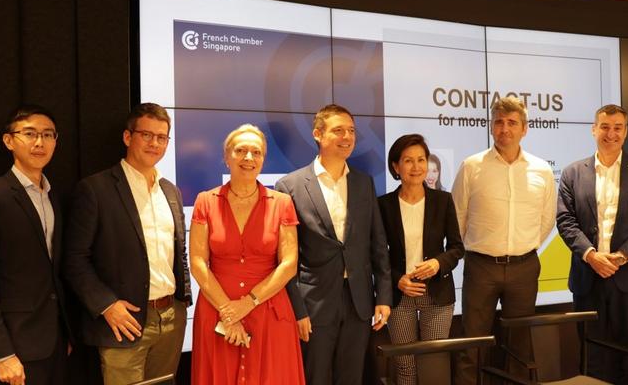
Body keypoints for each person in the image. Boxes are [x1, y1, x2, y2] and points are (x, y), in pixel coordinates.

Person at [63, 103, 191, 385]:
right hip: (125, 323)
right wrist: (106, 305)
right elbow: (74, 259)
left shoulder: (170, 191)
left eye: (162, 137)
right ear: (127, 137)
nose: (154, 143)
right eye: (147, 135)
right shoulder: (96, 189)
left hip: (170, 318)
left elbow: (178, 252)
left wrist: (182, 304)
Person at [275, 103, 392, 385]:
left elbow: (378, 244)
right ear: (318, 134)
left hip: (359, 301)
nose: (347, 137)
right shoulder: (289, 186)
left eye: (351, 131)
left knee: (351, 378)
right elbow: (286, 258)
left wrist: (384, 297)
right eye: (338, 130)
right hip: (314, 303)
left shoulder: (364, 183)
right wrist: (298, 311)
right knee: (315, 377)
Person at [557, 104, 628, 384]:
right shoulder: (572, 173)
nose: (611, 133)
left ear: (626, 132)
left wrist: (621, 257)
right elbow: (565, 221)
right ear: (593, 130)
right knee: (590, 358)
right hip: (587, 278)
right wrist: (591, 255)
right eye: (605, 127)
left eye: (618, 128)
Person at [451, 96, 556, 385]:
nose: (504, 128)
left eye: (512, 122)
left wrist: (523, 247)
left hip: (524, 267)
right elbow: (457, 216)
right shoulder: (471, 166)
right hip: (481, 267)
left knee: (520, 343)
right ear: (491, 126)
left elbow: (547, 219)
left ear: (525, 128)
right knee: (472, 341)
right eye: (499, 122)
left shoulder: (541, 169)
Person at [189, 124, 304, 384]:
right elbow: (197, 263)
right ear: (226, 157)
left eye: (256, 152)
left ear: (263, 159)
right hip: (217, 309)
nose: (248, 158)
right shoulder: (205, 201)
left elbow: (289, 264)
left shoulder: (282, 203)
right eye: (240, 150)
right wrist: (228, 312)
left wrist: (247, 303)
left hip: (269, 311)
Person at [0, 105, 69, 385]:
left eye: (48, 135)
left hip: (56, 341)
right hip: (16, 346)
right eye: (30, 134)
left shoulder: (53, 195)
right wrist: (2, 352)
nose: (40, 142)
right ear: (9, 140)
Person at [377, 134, 464, 385]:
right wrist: (397, 279)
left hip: (437, 294)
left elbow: (457, 248)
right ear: (396, 166)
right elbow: (378, 255)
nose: (416, 167)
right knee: (405, 365)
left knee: (433, 366)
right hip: (400, 296)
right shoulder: (384, 205)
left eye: (421, 160)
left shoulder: (443, 200)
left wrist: (438, 263)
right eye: (408, 161)